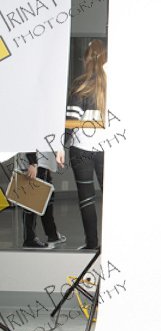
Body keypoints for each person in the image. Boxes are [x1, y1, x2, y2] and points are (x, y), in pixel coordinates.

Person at [65, 39, 107, 251]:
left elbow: (71, 120)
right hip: (107, 149)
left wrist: (61, 146)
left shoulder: (81, 84)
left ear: (86, 59)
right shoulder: (112, 85)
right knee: (112, 197)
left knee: (86, 199)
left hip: (81, 149)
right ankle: (115, 245)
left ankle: (92, 244)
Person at [17, 147, 66, 249]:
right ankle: (30, 239)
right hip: (36, 162)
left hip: (41, 162)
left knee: (47, 197)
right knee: (31, 202)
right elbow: (29, 140)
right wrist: (33, 162)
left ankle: (52, 234)